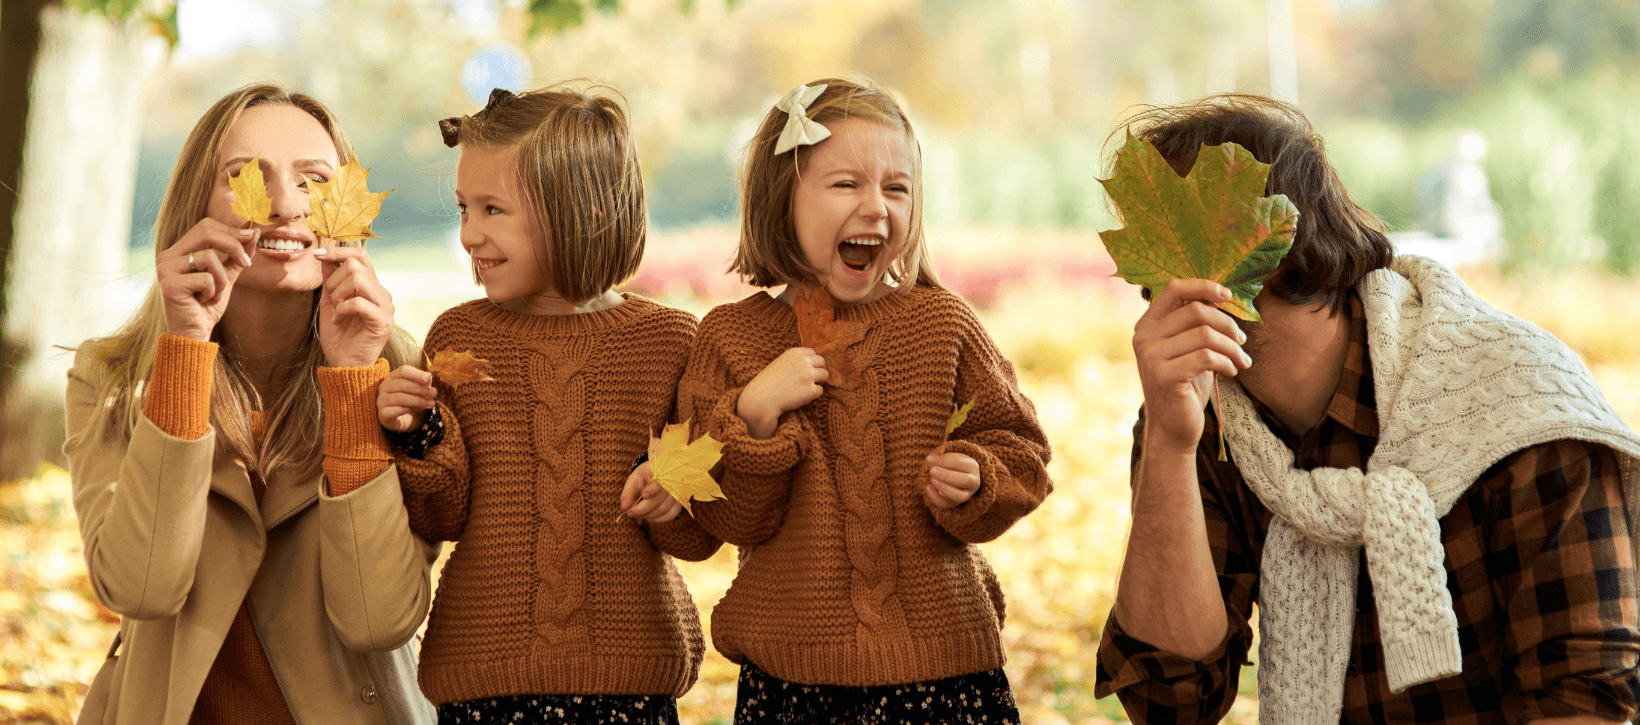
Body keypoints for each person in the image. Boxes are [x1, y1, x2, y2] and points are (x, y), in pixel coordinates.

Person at [1093, 93, 1640, 724]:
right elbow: (1171, 700)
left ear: (1282, 242)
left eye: (1186, 243)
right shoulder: (1199, 411)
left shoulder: (1519, 402)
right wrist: (1168, 443)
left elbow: (1585, 699)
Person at [676, 77, 1052, 724]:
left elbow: (1022, 451)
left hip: (945, 668)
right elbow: (729, 521)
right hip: (793, 679)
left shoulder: (943, 324)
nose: (877, 207)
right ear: (782, 198)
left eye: (897, 187)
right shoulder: (732, 339)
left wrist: (980, 478)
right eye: (847, 184)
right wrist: (754, 415)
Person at [63, 83, 437, 725]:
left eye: (315, 181)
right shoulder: (113, 379)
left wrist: (352, 385)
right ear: (195, 206)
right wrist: (184, 349)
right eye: (245, 178)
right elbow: (141, 587)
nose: (286, 205)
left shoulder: (402, 378)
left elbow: (378, 619)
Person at [369, 86, 715, 725]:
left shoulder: (670, 344)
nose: (469, 233)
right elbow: (442, 511)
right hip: (483, 680)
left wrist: (671, 489)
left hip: (629, 678)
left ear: (578, 211)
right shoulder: (458, 338)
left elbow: (695, 538)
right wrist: (417, 429)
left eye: (492, 209)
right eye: (463, 209)